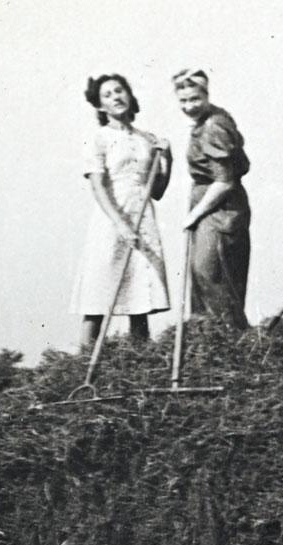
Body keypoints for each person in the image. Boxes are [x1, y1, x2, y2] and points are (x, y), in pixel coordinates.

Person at [71, 73, 172, 346]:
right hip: (111, 219)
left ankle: (139, 360)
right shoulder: (99, 138)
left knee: (139, 296)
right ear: (100, 106)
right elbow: (98, 186)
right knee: (98, 296)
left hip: (143, 217)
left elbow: (158, 191)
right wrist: (120, 223)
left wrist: (167, 159)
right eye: (107, 95)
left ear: (129, 95)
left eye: (119, 91)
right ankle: (81, 367)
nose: (116, 97)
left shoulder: (146, 139)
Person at [173, 68, 251, 330]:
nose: (189, 106)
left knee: (212, 274)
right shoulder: (205, 121)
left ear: (206, 94)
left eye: (195, 99)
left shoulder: (213, 125)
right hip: (210, 203)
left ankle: (227, 341)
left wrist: (194, 215)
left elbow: (225, 181)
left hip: (221, 208)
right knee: (205, 277)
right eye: (183, 101)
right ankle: (208, 340)